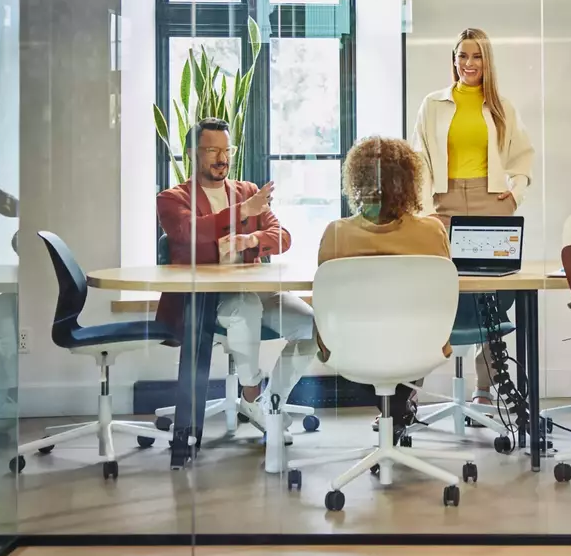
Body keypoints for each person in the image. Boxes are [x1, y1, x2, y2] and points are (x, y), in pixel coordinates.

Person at [156, 117, 317, 436]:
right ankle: (252, 391)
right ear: (192, 153)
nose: (222, 158)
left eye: (226, 149)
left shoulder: (247, 191)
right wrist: (243, 213)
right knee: (245, 308)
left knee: (311, 327)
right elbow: (190, 234)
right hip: (207, 301)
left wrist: (253, 239)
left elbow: (281, 236)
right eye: (211, 150)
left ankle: (270, 402)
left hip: (257, 290)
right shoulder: (173, 199)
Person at [410, 27, 534, 409]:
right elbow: (419, 161)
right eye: (462, 56)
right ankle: (408, 392)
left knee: (491, 296)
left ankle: (487, 386)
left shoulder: (501, 107)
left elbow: (523, 157)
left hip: (489, 200)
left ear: (487, 61)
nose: (468, 64)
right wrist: (428, 212)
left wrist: (514, 194)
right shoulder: (433, 104)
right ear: (453, 60)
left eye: (476, 56)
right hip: (443, 203)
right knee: (433, 292)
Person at [317, 135, 453, 432]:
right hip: (419, 345)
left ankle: (394, 413)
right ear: (409, 183)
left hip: (351, 347)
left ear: (356, 180)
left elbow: (324, 305)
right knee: (410, 326)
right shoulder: (431, 230)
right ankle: (399, 411)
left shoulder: (336, 233)